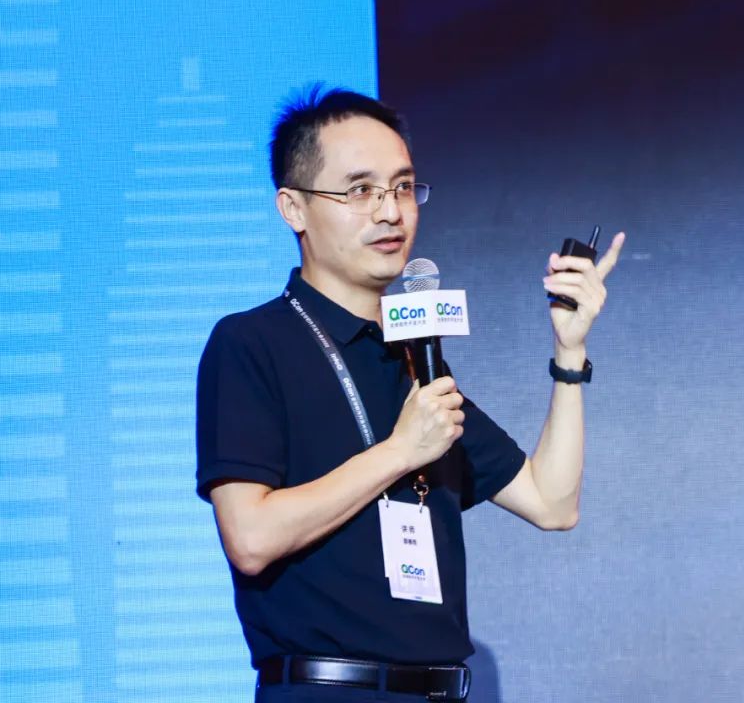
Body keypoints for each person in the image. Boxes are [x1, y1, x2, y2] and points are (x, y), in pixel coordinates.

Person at [196, 84, 624, 702]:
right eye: (360, 191)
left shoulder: (413, 357)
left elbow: (551, 503)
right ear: (294, 208)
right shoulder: (252, 343)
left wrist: (570, 351)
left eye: (402, 187)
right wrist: (399, 452)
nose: (390, 212)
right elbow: (252, 538)